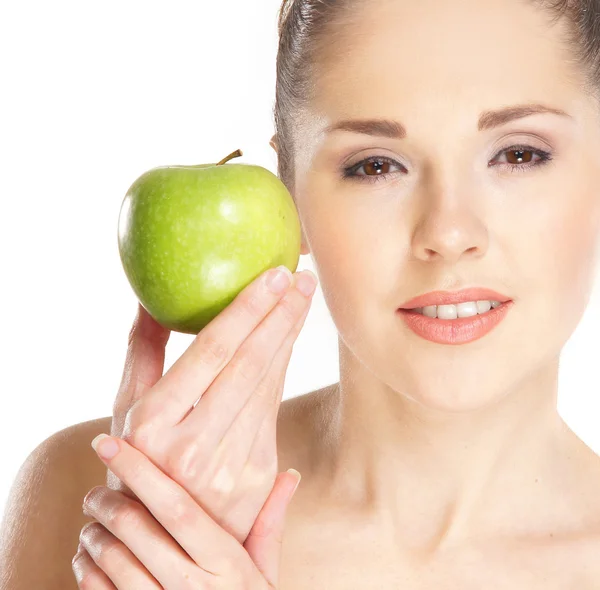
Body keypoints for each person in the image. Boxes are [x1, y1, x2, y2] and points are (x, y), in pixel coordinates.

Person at [3, 0, 600, 587]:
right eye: (376, 166)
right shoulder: (95, 507)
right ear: (288, 195)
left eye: (520, 154)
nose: (448, 233)